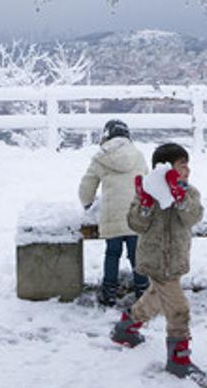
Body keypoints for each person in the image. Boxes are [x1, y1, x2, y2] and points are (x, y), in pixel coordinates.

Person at [111, 142, 206, 382]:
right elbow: (136, 224)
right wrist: (144, 204)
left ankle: (126, 328)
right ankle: (178, 360)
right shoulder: (148, 193)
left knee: (155, 299)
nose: (187, 170)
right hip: (154, 260)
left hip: (174, 260)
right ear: (164, 169)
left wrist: (180, 197)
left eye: (187, 165)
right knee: (178, 309)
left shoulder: (190, 192)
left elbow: (193, 217)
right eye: (181, 165)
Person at [78, 119, 150, 306]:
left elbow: (87, 186)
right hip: (136, 215)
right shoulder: (138, 155)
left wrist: (87, 204)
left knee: (112, 253)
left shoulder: (101, 157)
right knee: (137, 255)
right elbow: (147, 182)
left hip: (112, 217)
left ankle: (109, 291)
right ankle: (143, 290)